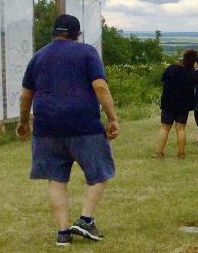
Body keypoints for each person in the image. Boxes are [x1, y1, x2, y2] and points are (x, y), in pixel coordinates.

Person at [16, 14, 120, 247]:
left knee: (56, 179)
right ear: (77, 34)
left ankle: (63, 233)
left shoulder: (39, 56)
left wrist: (24, 122)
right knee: (100, 172)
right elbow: (100, 86)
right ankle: (85, 220)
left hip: (46, 126)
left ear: (54, 33)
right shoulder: (87, 52)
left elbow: (26, 94)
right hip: (83, 124)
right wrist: (113, 118)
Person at [154, 49, 198, 159]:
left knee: (164, 128)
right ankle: (181, 154)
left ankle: (159, 152)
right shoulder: (192, 73)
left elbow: (162, 78)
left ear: (183, 59)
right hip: (184, 104)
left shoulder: (171, 68)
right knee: (181, 128)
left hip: (168, 102)